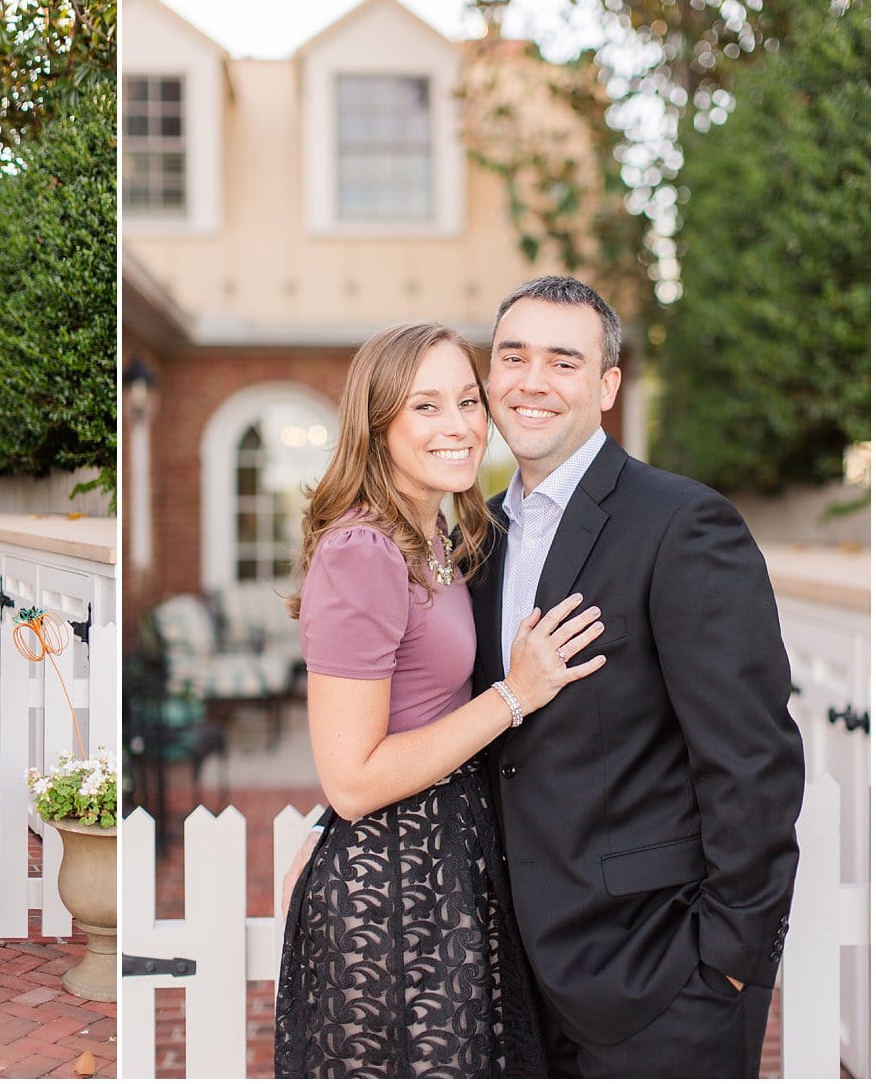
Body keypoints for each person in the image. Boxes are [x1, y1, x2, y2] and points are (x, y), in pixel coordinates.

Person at [470, 275, 804, 1077]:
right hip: (508, 979)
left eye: (563, 361)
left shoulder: (682, 524)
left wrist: (725, 965)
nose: (531, 381)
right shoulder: (476, 535)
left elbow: (751, 760)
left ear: (606, 384)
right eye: (512, 356)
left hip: (658, 980)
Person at [274, 322, 608, 1078]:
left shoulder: (441, 535)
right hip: (391, 887)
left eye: (467, 400)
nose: (458, 426)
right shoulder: (361, 551)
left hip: (445, 861)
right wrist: (513, 695)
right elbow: (352, 778)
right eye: (425, 407)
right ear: (378, 423)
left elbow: (405, 712)